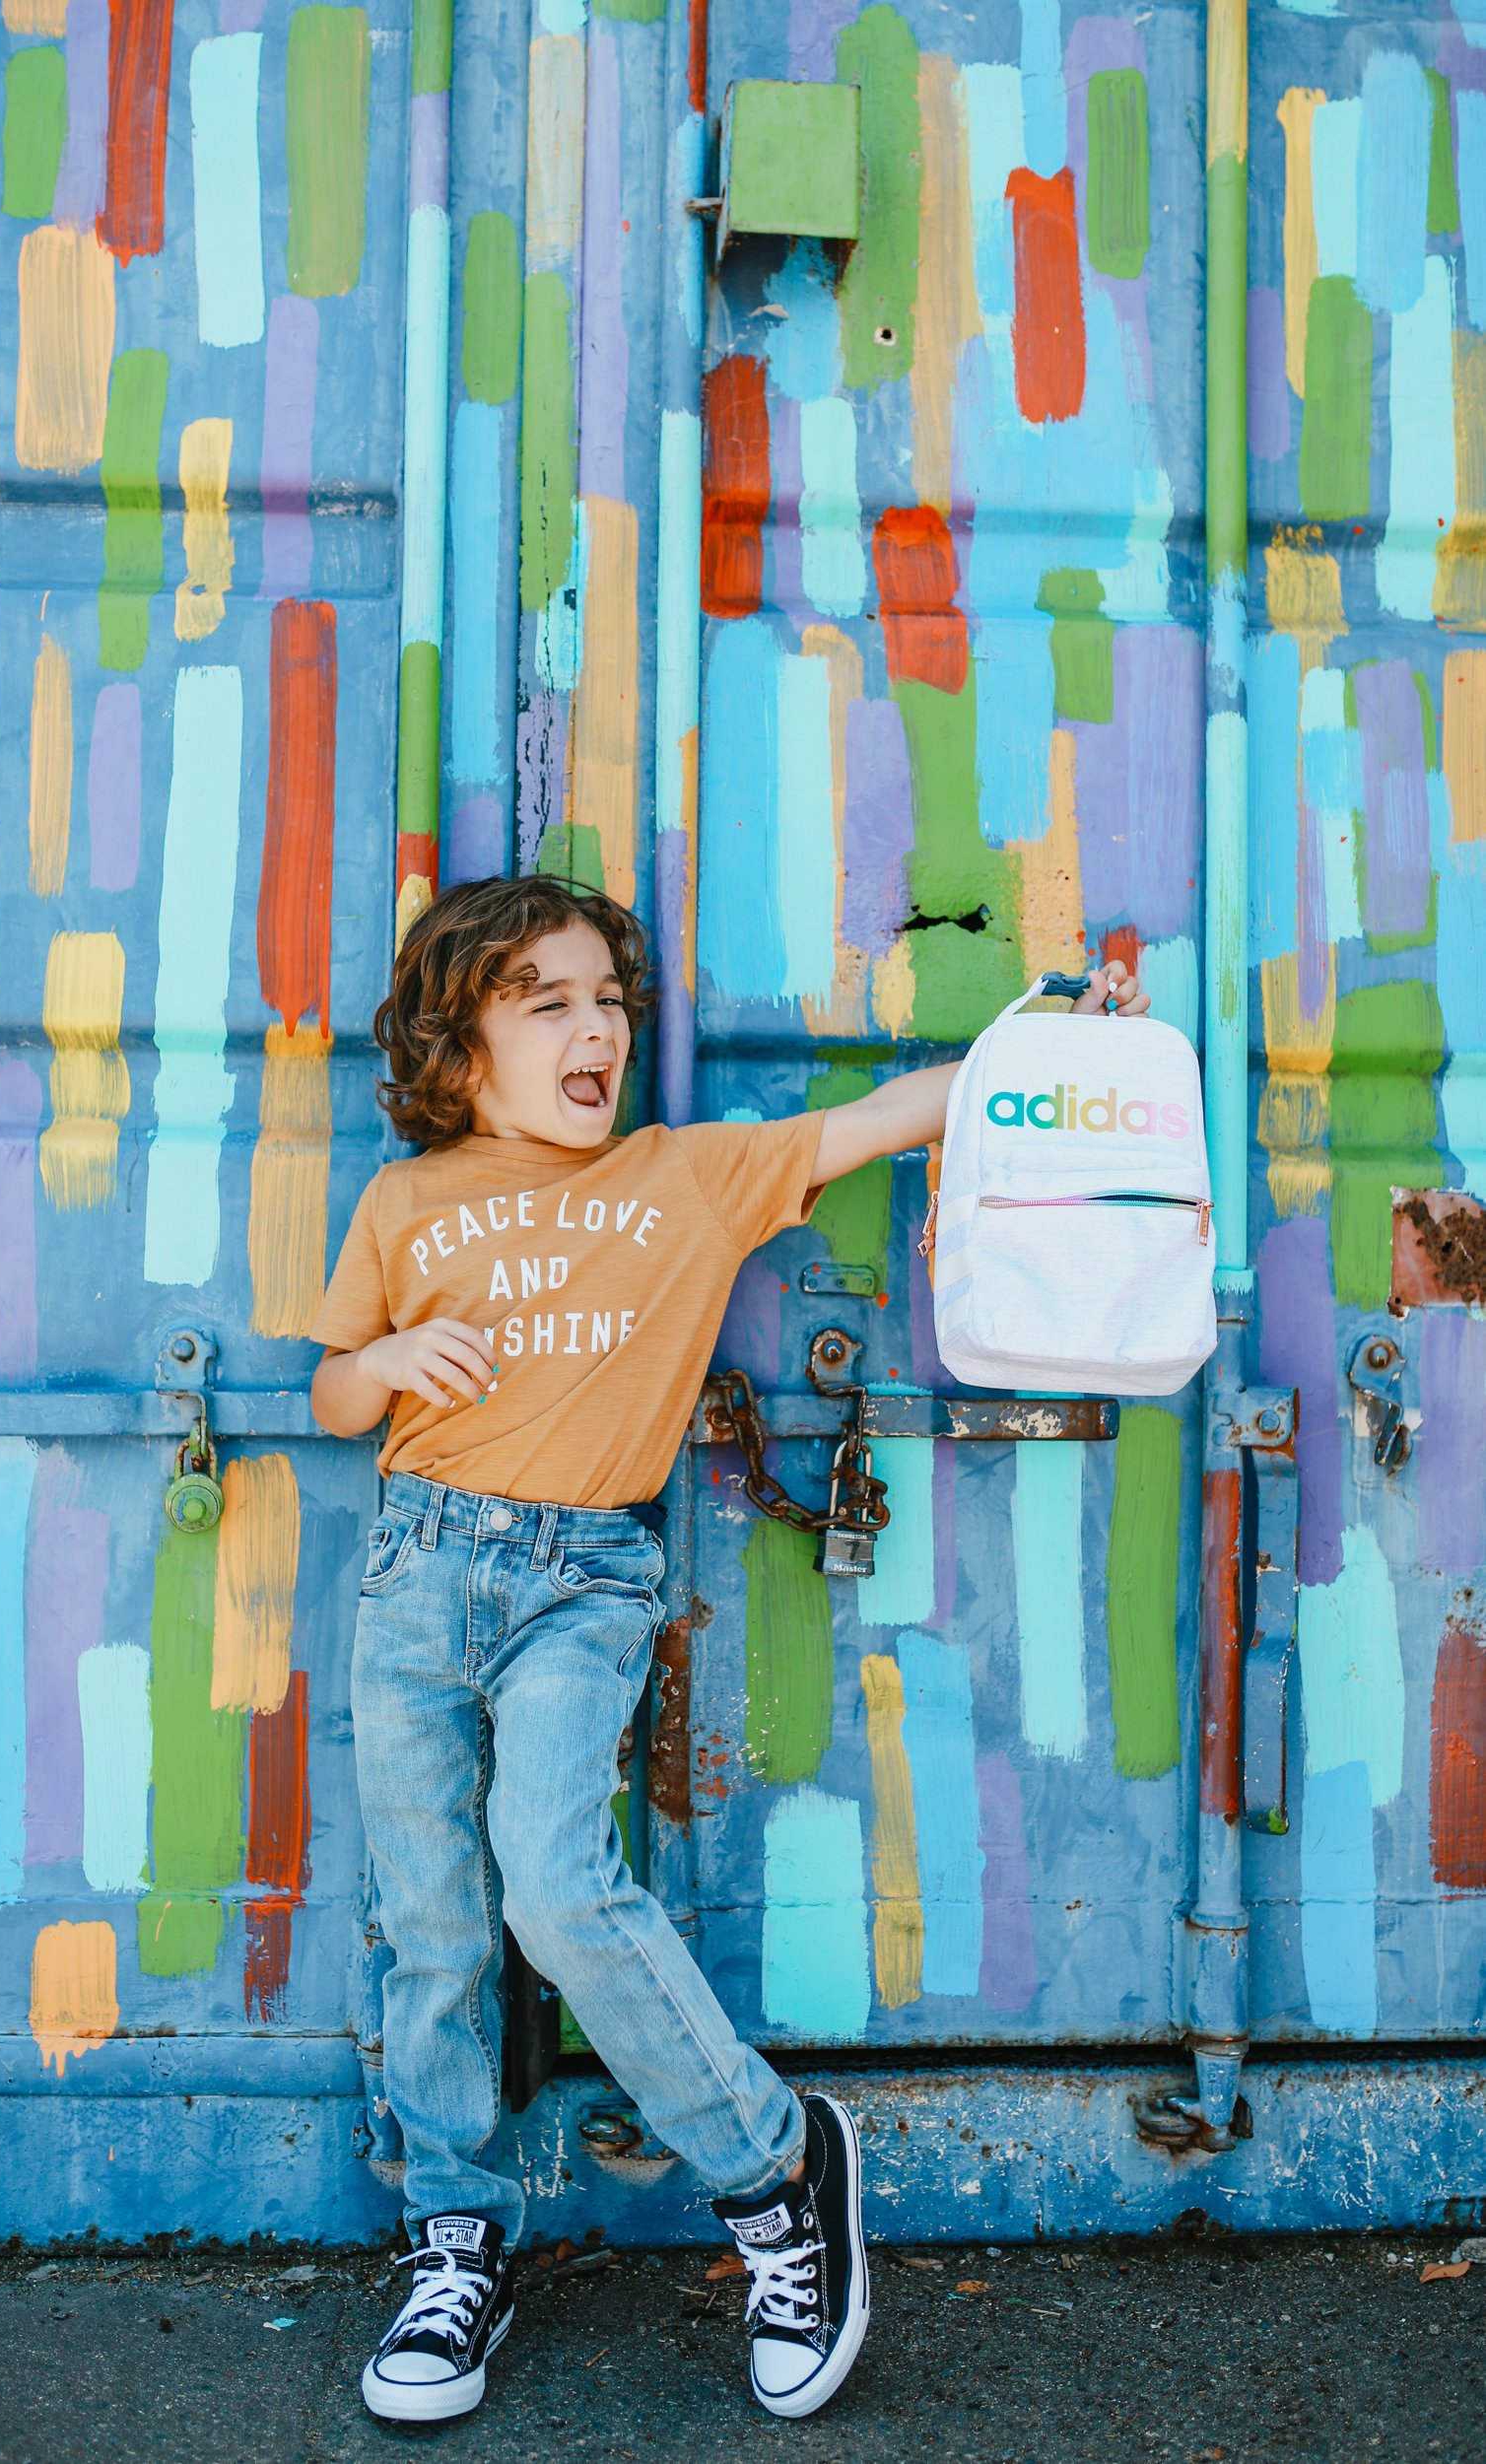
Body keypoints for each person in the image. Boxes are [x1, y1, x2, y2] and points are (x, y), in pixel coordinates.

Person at [309, 875, 1150, 2426]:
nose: (593, 1029)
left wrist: (1056, 1056)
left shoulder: (685, 1177)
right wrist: (380, 1356)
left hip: (585, 1578)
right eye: (545, 1001)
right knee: (431, 1926)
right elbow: (332, 1398)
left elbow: (890, 1117)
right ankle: (455, 2241)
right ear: (463, 1042)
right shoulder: (403, 1200)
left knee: (557, 1888)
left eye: (608, 1002)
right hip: (416, 1570)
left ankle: (777, 2179)